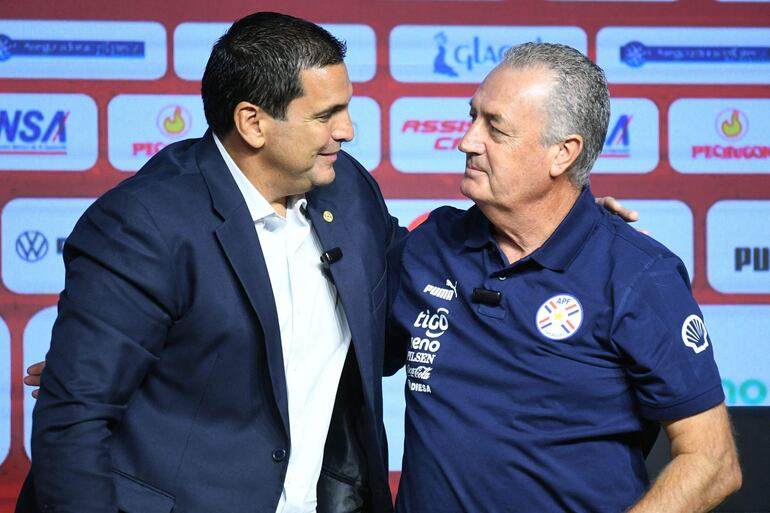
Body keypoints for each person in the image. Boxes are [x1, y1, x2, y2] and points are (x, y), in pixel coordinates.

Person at [17, 12, 400, 513]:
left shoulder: (347, 189)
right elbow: (74, 421)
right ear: (253, 122)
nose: (347, 131)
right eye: (326, 115)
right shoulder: (144, 224)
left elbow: (409, 304)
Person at [385, 42, 741, 513]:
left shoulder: (637, 273)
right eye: (473, 117)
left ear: (562, 154)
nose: (467, 140)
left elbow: (712, 461)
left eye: (496, 128)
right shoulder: (428, 246)